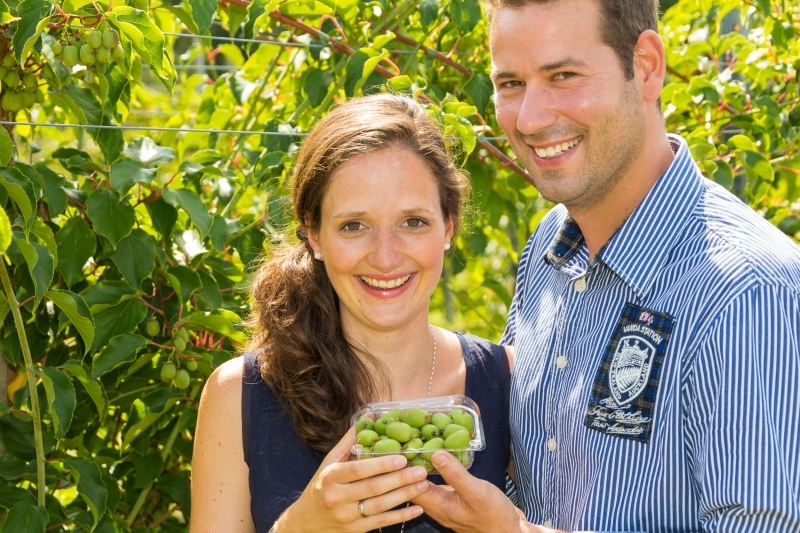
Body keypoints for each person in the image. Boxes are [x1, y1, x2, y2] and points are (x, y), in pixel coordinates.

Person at [413, 0, 800, 532]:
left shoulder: (744, 292)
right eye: (510, 84)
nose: (530, 118)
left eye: (563, 75)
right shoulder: (551, 247)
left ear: (646, 66)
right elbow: (527, 473)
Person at [190, 93, 514, 533]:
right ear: (314, 234)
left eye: (413, 222)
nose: (384, 257)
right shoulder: (239, 396)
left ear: (448, 227)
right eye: (353, 226)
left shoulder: (508, 383)